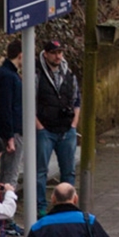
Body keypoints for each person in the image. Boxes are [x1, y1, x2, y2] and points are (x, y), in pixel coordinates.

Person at [34, 39, 82, 211]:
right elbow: (28, 102)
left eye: (60, 52)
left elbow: (77, 100)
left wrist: (74, 123)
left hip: (66, 130)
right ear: (46, 54)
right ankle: (40, 207)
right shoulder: (37, 74)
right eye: (54, 53)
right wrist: (39, 126)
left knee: (68, 171)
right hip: (45, 130)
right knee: (40, 172)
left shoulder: (68, 74)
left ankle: (68, 204)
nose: (58, 56)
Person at [0, 39, 24, 182]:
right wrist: (10, 137)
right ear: (21, 55)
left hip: (12, 131)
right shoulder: (8, 76)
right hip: (14, 131)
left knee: (8, 170)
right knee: (11, 172)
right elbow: (5, 107)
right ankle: (7, 201)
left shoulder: (7, 74)